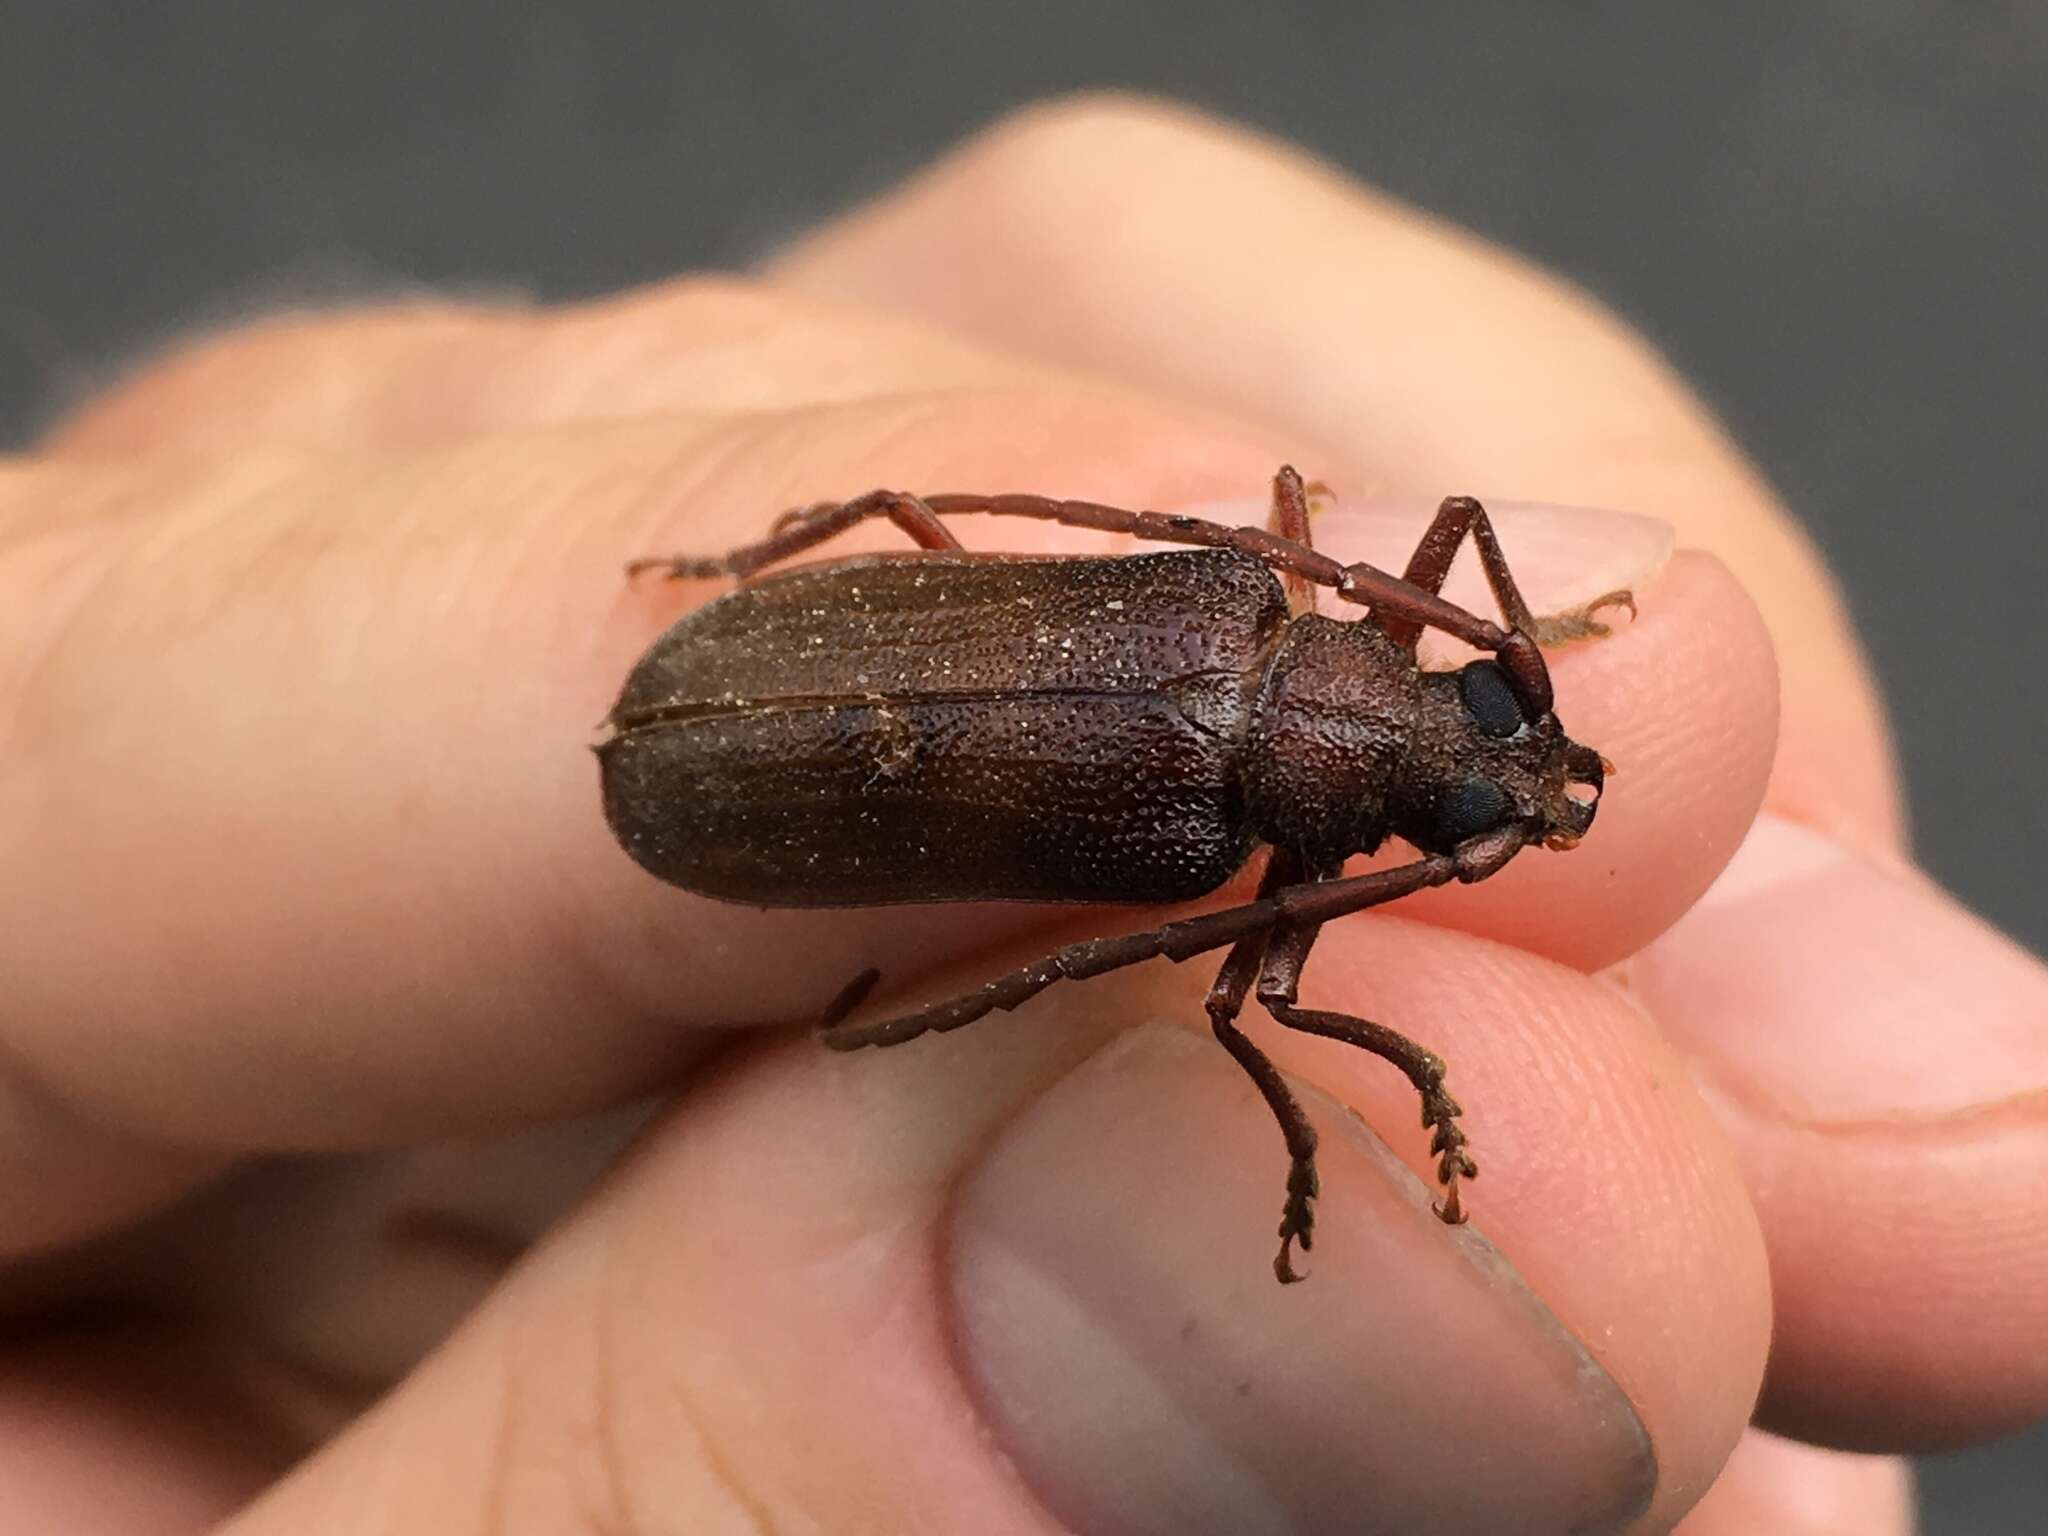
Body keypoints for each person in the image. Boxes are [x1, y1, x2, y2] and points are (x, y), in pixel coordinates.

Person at [3, 97, 2040, 1534]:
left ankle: (760, 598)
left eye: (1476, 728)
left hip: (773, 738)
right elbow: (1251, 1004)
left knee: (969, 579)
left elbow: (1113, 601)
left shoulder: (1229, 603)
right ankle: (766, 614)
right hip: (729, 745)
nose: (1500, 747)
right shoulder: (1195, 819)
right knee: (1214, 984)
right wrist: (1392, 1080)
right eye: (1492, 711)